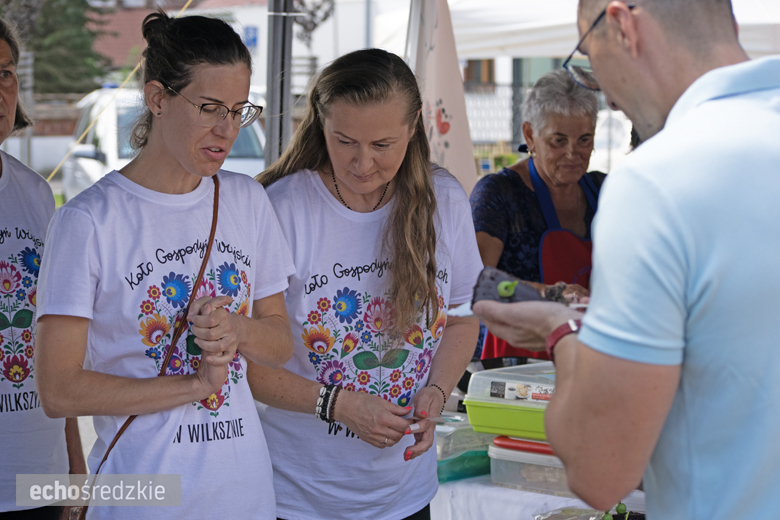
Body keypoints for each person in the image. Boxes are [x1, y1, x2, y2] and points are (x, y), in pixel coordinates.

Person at [474, 1, 780, 519]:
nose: (607, 95)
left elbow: (600, 470)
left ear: (620, 24)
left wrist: (560, 330)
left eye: (587, 58)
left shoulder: (659, 182)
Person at [34, 11, 294, 519]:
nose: (227, 129)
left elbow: (281, 343)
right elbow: (57, 390)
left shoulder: (246, 200)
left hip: (246, 495)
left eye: (239, 110)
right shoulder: (88, 221)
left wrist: (237, 330)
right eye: (210, 107)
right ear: (157, 99)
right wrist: (193, 386)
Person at [250, 48, 482, 520]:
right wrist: (337, 404)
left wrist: (436, 392)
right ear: (320, 124)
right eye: (344, 141)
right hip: (298, 499)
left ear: (414, 125)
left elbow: (461, 316)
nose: (362, 164)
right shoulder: (281, 209)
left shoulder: (446, 201)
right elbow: (245, 364)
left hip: (407, 495)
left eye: (382, 145)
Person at [0, 17, 87, 520]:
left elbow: (57, 343)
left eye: (5, 73)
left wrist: (75, 468)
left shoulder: (36, 194)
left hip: (40, 477)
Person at [469, 69, 602, 366]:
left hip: (583, 355)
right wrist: (553, 294)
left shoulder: (603, 190)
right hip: (510, 362)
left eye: (584, 139)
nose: (573, 153)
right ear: (530, 134)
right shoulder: (499, 193)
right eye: (558, 140)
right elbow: (475, 277)